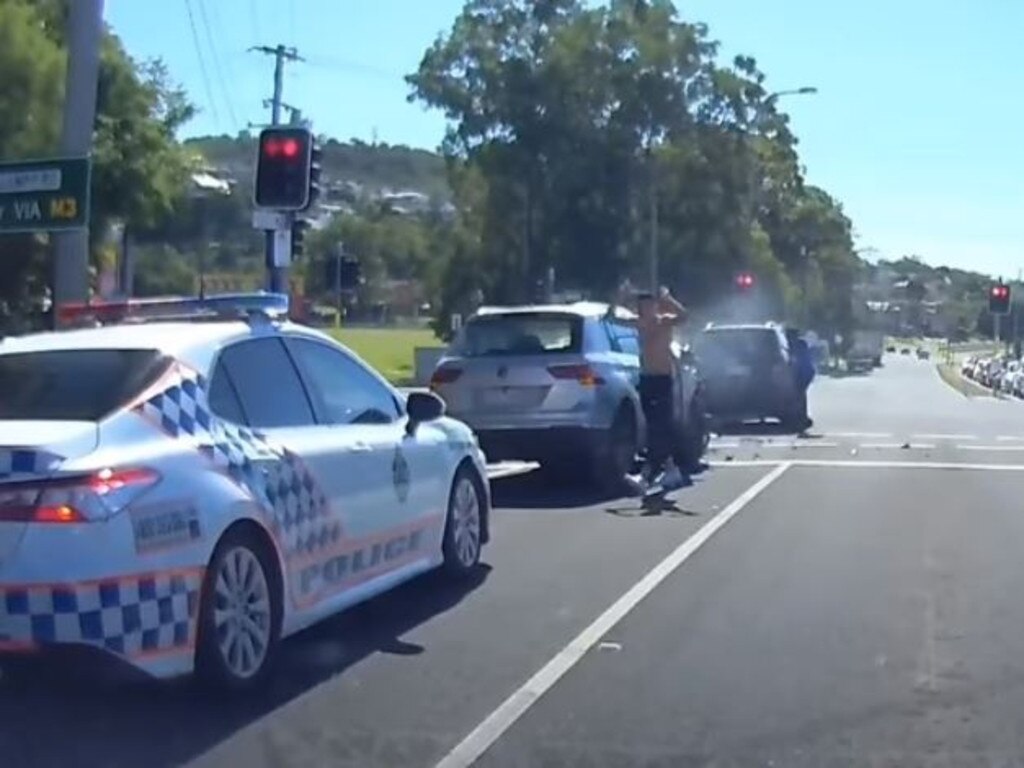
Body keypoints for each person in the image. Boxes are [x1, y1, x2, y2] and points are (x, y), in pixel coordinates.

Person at [609, 284, 693, 495]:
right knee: (652, 426)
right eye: (642, 306)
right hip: (646, 379)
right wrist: (619, 298)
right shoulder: (639, 324)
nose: (645, 309)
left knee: (661, 425)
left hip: (663, 379)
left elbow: (684, 316)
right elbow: (612, 319)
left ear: (655, 306)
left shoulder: (664, 322)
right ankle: (670, 469)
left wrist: (668, 298)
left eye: (648, 305)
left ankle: (648, 475)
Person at [785, 327, 815, 431]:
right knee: (800, 396)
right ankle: (801, 418)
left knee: (799, 396)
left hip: (803, 373)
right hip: (806, 372)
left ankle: (800, 419)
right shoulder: (801, 343)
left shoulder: (793, 345)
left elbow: (794, 360)